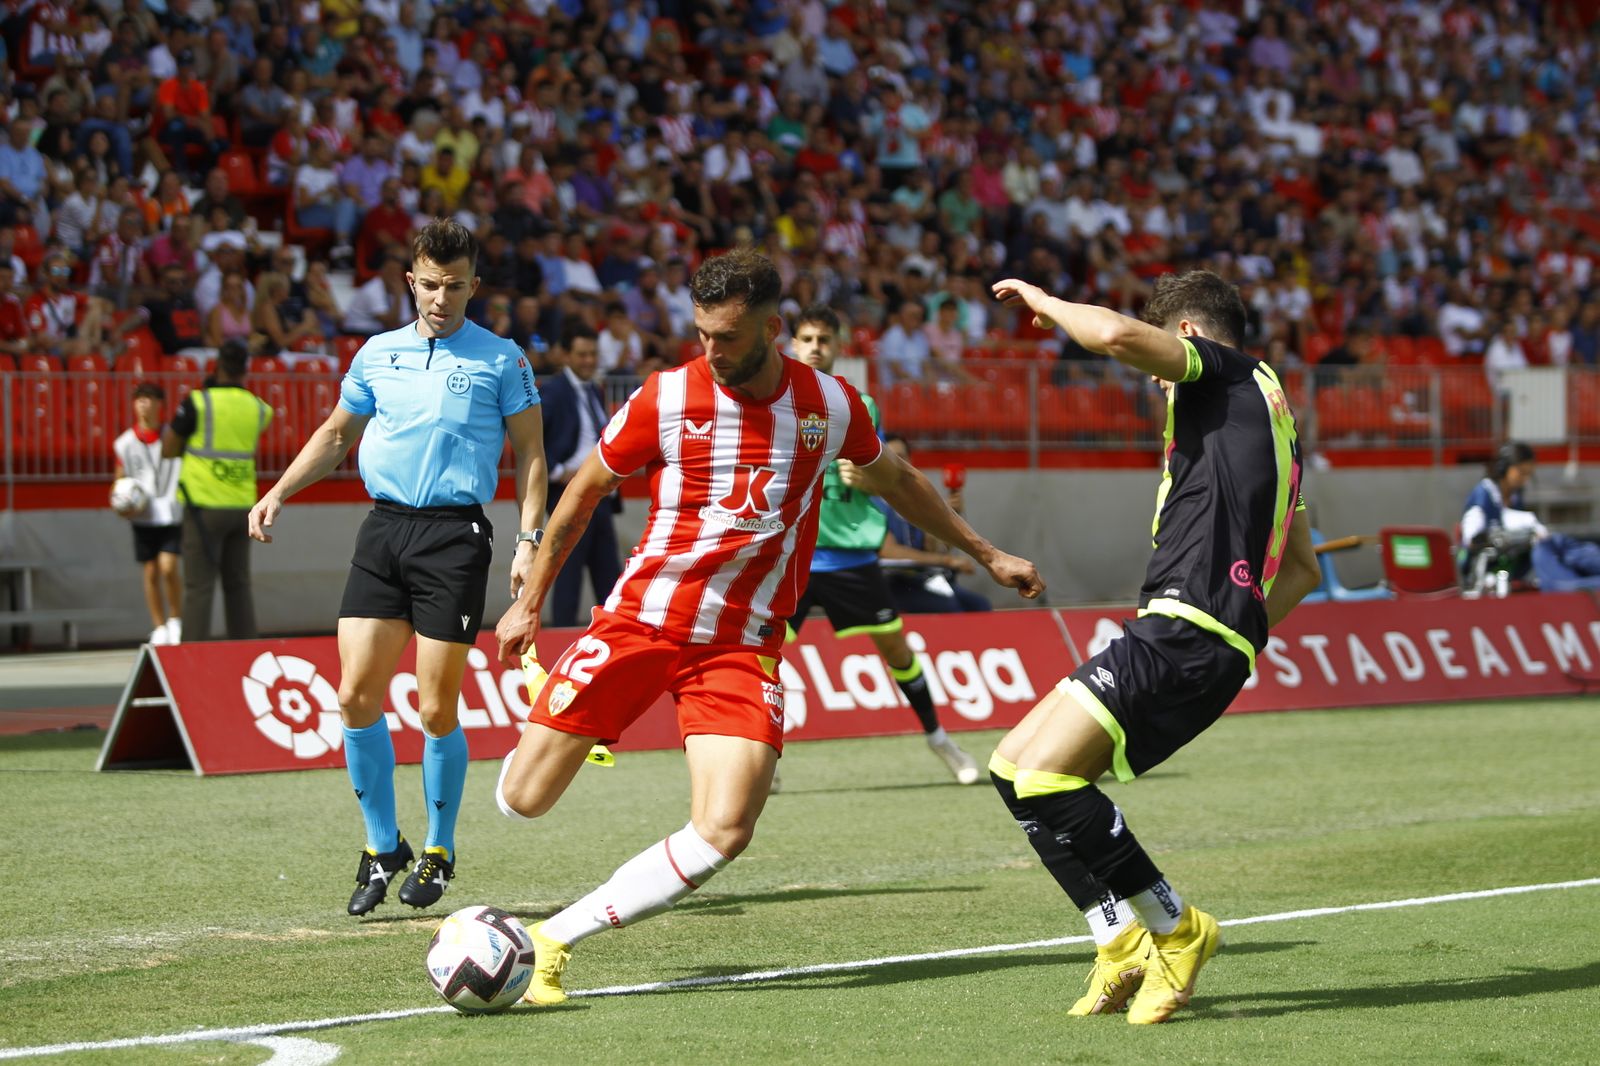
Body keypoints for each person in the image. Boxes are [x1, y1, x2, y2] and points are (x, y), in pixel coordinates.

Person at [492, 249, 1043, 1006]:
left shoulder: (828, 405)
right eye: (702, 334)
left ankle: (553, 940)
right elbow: (584, 492)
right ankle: (568, 726)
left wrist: (985, 551)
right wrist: (529, 601)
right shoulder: (665, 397)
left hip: (741, 646)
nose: (711, 351)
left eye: (728, 336)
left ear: (773, 328)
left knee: (725, 829)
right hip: (641, 622)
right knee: (523, 800)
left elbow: (900, 482)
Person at [985, 270, 1321, 1024]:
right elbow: (1301, 568)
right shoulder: (1275, 421)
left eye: (1167, 367)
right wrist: (1241, 636)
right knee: (1012, 767)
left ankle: (1175, 927)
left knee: (1045, 780)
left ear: (1190, 337)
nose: (1161, 388)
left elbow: (1109, 334)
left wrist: (1044, 303)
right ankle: (1118, 938)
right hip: (1203, 631)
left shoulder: (1223, 372)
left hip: (1187, 626)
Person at [248, 220, 547, 917]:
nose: (441, 297)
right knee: (355, 695)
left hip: (454, 537)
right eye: (429, 284)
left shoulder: (503, 359)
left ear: (474, 286)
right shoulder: (375, 354)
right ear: (410, 281)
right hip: (383, 530)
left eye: (455, 285)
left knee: (436, 706)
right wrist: (278, 491)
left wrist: (527, 541)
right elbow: (333, 436)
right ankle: (384, 847)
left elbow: (532, 455)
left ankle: (440, 849)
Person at [787, 305, 983, 784]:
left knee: (896, 650)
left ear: (838, 347)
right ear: (791, 344)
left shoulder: (861, 405)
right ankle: (763, 755)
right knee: (755, 660)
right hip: (788, 557)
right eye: (807, 338)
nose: (815, 347)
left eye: (824, 340)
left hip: (848, 557)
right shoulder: (773, 403)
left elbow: (883, 483)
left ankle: (939, 738)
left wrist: (868, 478)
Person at [161, 339, 272, 641]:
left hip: (203, 507)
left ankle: (192, 655)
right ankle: (246, 652)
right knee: (238, 584)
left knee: (199, 586)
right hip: (242, 507)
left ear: (217, 365)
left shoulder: (199, 402)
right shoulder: (258, 408)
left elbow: (169, 448)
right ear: (246, 368)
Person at [539, 321, 622, 628]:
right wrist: (559, 471)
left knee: (609, 575)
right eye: (582, 354)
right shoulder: (553, 391)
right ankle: (560, 642)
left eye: (592, 354)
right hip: (568, 494)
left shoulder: (595, 390)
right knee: (569, 574)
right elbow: (531, 440)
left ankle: (615, 638)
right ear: (565, 355)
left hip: (599, 496)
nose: (588, 360)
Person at [1458, 441, 1600, 594]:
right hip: (1495, 567)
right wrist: (1515, 536)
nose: (1524, 479)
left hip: (1519, 559)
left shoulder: (1515, 496)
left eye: (1528, 474)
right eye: (1521, 472)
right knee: (1550, 545)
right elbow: (1472, 538)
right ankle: (1572, 585)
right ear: (1504, 468)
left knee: (1559, 545)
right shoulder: (1484, 495)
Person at [876, 436, 994, 615]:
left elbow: (934, 549)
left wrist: (950, 516)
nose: (896, 463)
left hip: (921, 580)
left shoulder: (915, 502)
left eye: (901, 457)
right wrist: (947, 561)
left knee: (980, 605)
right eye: (891, 458)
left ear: (909, 461)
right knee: (949, 606)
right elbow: (889, 551)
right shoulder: (874, 502)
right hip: (890, 583)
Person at [113, 382, 183, 645]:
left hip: (170, 511)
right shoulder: (125, 443)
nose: (144, 404)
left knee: (168, 567)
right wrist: (120, 503)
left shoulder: (172, 437)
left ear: (159, 404)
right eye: (139, 399)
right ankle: (159, 626)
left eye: (149, 399)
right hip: (143, 514)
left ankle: (176, 618)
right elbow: (119, 480)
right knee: (150, 571)